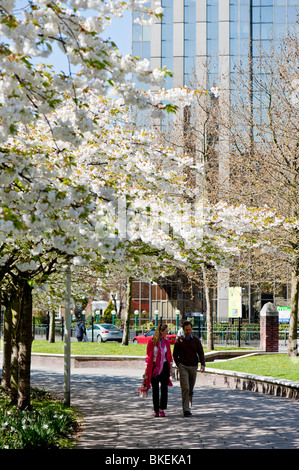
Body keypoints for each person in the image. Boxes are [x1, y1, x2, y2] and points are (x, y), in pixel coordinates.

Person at [173, 320, 205, 417]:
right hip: (183, 366)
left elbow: (201, 353)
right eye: (186, 330)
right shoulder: (179, 340)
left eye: (190, 330)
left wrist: (202, 364)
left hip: (193, 366)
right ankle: (186, 409)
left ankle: (189, 401)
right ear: (183, 330)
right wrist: (178, 364)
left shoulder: (196, 340)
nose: (188, 331)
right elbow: (174, 354)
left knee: (190, 388)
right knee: (185, 387)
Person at [144, 324, 173, 417]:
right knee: (155, 389)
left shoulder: (166, 343)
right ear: (161, 331)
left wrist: (171, 367)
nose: (167, 333)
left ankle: (162, 408)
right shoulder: (151, 343)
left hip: (164, 366)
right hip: (154, 367)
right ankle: (156, 410)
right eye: (165, 331)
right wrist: (146, 370)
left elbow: (169, 355)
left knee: (164, 388)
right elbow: (148, 357)